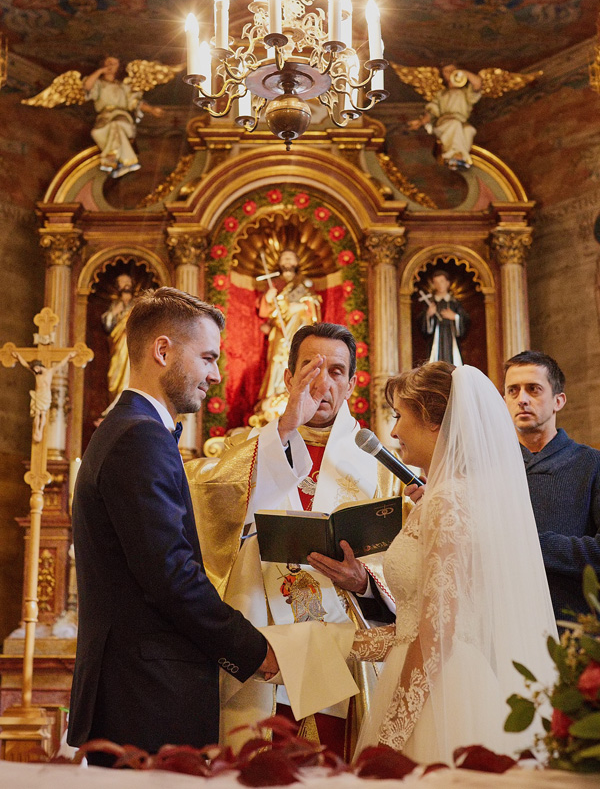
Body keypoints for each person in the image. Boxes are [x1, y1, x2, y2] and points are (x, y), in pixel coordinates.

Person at [187, 322, 419, 757]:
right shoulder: (250, 448)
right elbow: (203, 502)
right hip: (263, 641)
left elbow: (409, 565)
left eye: (336, 371)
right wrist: (282, 433)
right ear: (289, 378)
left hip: (346, 646)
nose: (323, 382)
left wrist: (365, 580)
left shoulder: (379, 463)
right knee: (259, 765)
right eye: (310, 368)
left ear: (352, 384)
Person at [68, 287, 277, 763]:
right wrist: (253, 649)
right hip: (147, 698)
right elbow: (171, 576)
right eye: (207, 357)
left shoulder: (126, 428)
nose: (216, 375)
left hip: (137, 693)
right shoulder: (139, 438)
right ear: (163, 350)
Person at [350, 362, 557, 764]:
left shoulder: (446, 502)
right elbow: (438, 617)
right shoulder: (457, 496)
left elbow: (438, 627)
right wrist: (367, 641)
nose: (392, 432)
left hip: (438, 691)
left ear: (432, 422)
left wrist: (391, 735)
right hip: (450, 672)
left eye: (399, 417)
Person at [503, 350, 600, 620]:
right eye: (513, 391)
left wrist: (534, 545)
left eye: (533, 389)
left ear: (558, 400)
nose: (521, 399)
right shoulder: (487, 468)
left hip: (571, 628)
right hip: (505, 623)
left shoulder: (592, 464)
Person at [254, 249, 321, 424]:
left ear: (297, 262)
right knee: (279, 359)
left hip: (299, 327)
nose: (287, 261)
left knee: (300, 357)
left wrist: (299, 307)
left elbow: (315, 304)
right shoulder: (274, 284)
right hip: (281, 330)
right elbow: (266, 312)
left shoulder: (304, 283)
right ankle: (275, 393)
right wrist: (269, 299)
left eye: (291, 257)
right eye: (284, 258)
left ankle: (299, 391)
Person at [84, 54, 163, 178]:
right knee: (96, 132)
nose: (111, 66)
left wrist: (151, 109)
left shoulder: (123, 86)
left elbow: (135, 102)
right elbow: (87, 87)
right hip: (104, 118)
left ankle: (113, 161)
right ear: (103, 64)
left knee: (117, 125)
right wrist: (99, 72)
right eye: (108, 62)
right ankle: (124, 162)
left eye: (114, 63)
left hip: (121, 116)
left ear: (118, 67)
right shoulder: (99, 83)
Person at [408, 64, 482, 170]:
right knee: (454, 124)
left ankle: (462, 158)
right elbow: (433, 111)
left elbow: (478, 83)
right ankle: (451, 155)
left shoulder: (465, 92)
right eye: (446, 71)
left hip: (461, 121)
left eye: (452, 70)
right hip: (444, 122)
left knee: (469, 130)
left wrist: (464, 73)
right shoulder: (441, 94)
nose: (449, 73)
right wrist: (421, 122)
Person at [13, 350, 75, 443]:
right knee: (37, 414)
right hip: (38, 395)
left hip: (45, 396)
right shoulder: (36, 374)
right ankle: (36, 431)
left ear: (40, 366)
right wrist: (18, 356)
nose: (36, 370)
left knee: (43, 413)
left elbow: (61, 364)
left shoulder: (49, 372)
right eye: (35, 369)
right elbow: (25, 365)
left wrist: (69, 356)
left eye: (37, 368)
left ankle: (40, 430)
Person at [418, 270, 469, 365]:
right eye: (436, 282)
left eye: (442, 281)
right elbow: (423, 328)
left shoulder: (454, 303)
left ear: (447, 283)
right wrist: (428, 315)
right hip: (436, 340)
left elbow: (465, 321)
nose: (439, 285)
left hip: (451, 339)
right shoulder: (431, 302)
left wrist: (455, 317)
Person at [101, 272, 137, 401]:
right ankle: (116, 401)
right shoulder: (115, 305)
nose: (126, 284)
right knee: (115, 373)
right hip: (118, 343)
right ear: (118, 286)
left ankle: (127, 402)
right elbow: (107, 325)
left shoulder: (137, 304)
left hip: (133, 344)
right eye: (123, 282)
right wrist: (114, 313)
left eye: (128, 281)